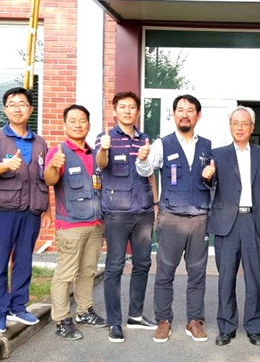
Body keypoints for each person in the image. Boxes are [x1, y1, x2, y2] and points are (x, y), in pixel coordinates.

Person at [136, 94, 213, 343]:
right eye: (180, 109)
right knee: (165, 273)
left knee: (197, 273)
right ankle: (163, 320)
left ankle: (194, 321)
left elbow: (216, 182)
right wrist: (143, 157)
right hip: (171, 218)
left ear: (198, 116)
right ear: (173, 114)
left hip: (200, 218)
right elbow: (146, 170)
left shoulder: (208, 146)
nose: (185, 114)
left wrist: (211, 176)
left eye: (190, 110)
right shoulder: (162, 143)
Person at [0, 87, 52, 333]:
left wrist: (48, 210)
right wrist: (6, 164)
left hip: (31, 211)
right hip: (2, 209)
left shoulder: (40, 142)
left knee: (23, 261)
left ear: (31, 109)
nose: (18, 108)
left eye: (23, 103)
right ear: (5, 109)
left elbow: (43, 178)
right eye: (12, 104)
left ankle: (18, 307)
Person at [203, 106, 260, 347]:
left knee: (255, 278)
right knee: (226, 278)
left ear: (252, 127)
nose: (240, 128)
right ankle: (226, 327)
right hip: (227, 224)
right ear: (230, 126)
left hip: (254, 220)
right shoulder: (218, 153)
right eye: (236, 123)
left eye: (245, 124)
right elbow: (209, 181)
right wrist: (208, 176)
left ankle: (254, 327)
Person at [95, 91, 157, 343]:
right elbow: (100, 164)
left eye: (132, 107)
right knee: (115, 266)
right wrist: (104, 150)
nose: (128, 111)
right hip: (117, 213)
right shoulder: (105, 137)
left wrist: (155, 202)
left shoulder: (144, 139)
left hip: (143, 212)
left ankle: (136, 315)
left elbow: (148, 172)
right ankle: (114, 322)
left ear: (138, 111)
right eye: (123, 107)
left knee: (143, 264)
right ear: (115, 111)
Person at [44, 104, 106, 340]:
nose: (78, 124)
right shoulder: (57, 152)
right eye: (72, 120)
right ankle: (61, 319)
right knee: (65, 274)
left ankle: (84, 311)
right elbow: (49, 180)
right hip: (70, 225)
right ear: (64, 125)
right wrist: (53, 165)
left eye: (82, 121)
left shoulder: (94, 153)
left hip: (94, 224)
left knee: (88, 271)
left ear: (88, 125)